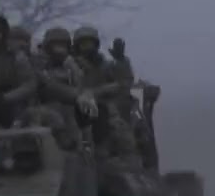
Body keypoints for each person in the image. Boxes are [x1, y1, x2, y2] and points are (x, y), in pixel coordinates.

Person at [72, 26, 139, 168]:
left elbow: (124, 82)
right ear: (77, 46)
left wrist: (121, 61)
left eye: (90, 44)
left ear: (96, 45)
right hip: (77, 110)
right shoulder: (71, 65)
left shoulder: (105, 65)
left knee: (122, 134)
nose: (87, 48)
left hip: (104, 108)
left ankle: (129, 167)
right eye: (83, 44)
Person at [27, 26, 97, 150]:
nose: (59, 49)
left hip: (71, 108)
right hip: (44, 107)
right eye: (56, 45)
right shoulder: (39, 63)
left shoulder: (72, 64)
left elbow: (82, 86)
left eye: (63, 45)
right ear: (48, 47)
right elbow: (47, 85)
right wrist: (76, 95)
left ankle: (86, 148)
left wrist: (73, 66)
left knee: (88, 115)